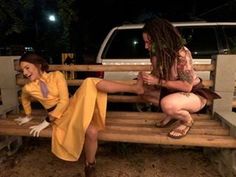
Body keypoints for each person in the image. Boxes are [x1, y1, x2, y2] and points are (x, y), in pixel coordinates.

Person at [14, 52, 144, 177]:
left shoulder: (57, 76)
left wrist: (47, 121)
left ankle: (135, 88)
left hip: (71, 105)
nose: (25, 72)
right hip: (61, 118)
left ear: (38, 65)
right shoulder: (28, 88)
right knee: (92, 132)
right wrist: (28, 115)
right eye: (22, 70)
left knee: (90, 81)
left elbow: (64, 101)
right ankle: (90, 166)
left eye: (27, 67)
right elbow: (24, 99)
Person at [138, 17, 220, 139]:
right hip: (173, 93)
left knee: (167, 104)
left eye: (149, 42)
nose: (146, 46)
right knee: (143, 91)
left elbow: (186, 87)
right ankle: (172, 114)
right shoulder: (157, 54)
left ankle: (186, 120)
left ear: (161, 39)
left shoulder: (181, 54)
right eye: (145, 42)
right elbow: (157, 78)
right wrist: (145, 78)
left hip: (194, 94)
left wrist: (157, 81)